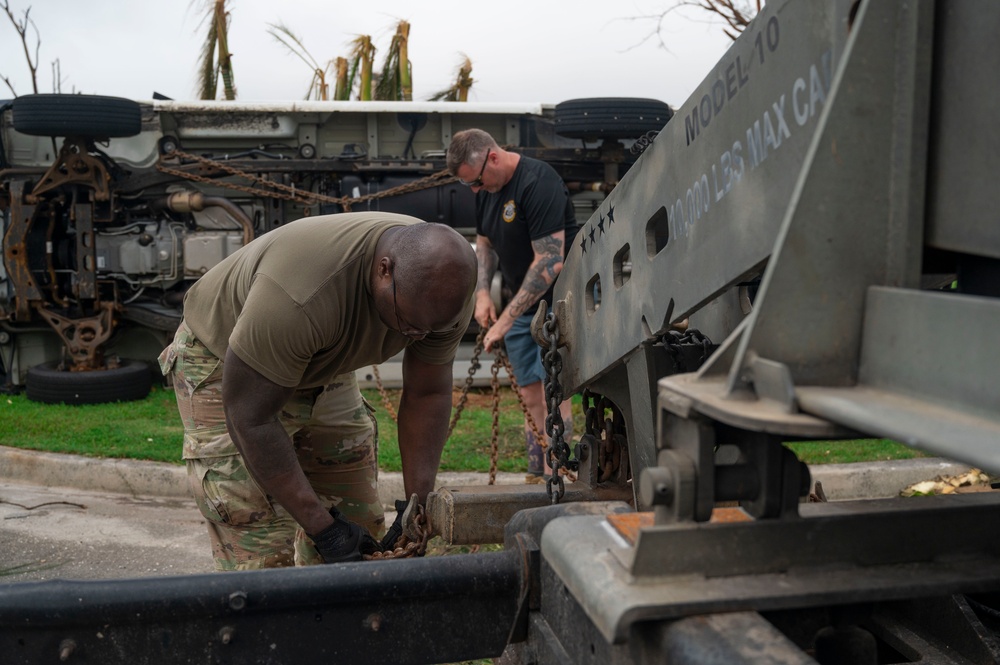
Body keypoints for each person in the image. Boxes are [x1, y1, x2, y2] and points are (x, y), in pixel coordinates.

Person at [158, 211, 477, 570]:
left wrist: (415, 503)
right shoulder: (300, 294)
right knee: (261, 554)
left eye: (429, 330)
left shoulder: (445, 290)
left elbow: (427, 393)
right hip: (228, 362)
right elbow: (249, 418)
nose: (416, 336)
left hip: (321, 358)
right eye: (408, 323)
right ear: (383, 270)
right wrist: (324, 530)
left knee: (362, 528)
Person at [446, 129, 577, 478]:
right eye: (469, 185)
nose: (475, 190)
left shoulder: (538, 182)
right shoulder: (487, 190)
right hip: (520, 307)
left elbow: (550, 261)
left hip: (556, 306)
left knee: (555, 395)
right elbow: (484, 242)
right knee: (529, 394)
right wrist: (483, 292)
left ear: (492, 156)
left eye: (476, 181)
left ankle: (559, 477)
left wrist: (503, 322)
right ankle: (537, 473)